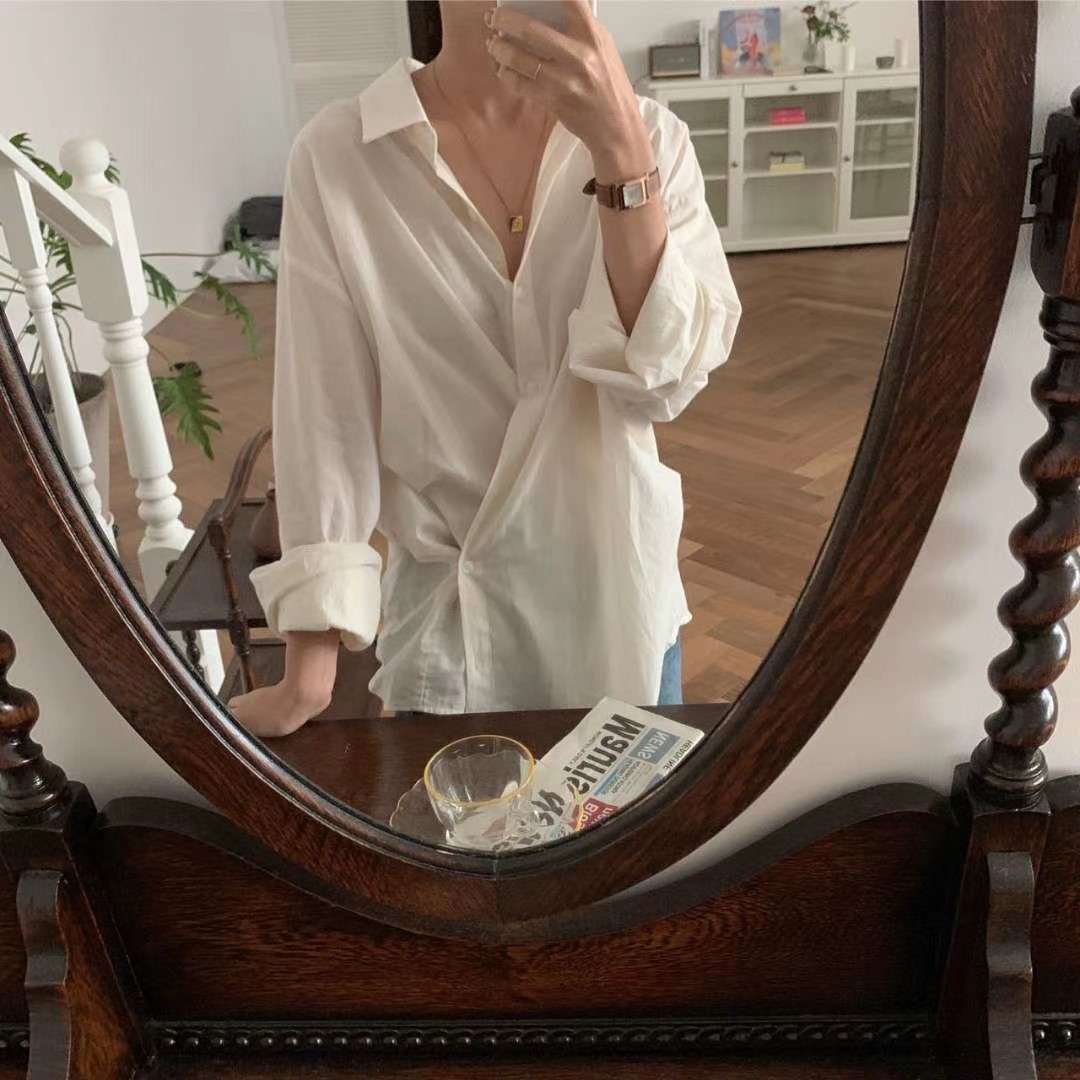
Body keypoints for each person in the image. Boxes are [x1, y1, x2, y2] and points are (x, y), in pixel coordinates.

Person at [228, 0, 741, 738]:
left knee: (632, 819)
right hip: (455, 639)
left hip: (621, 605)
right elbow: (325, 413)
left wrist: (622, 152)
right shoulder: (343, 157)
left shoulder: (654, 139)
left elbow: (665, 380)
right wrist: (308, 671)